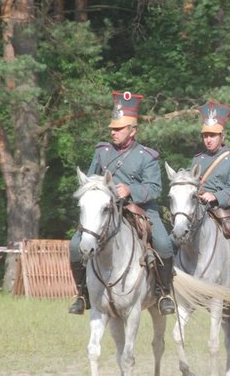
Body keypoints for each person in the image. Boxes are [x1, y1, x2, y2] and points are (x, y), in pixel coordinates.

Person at [68, 91, 176, 315]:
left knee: (164, 243)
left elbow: (155, 188)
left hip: (139, 209)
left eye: (118, 129)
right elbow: (89, 180)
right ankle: (83, 293)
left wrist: (130, 190)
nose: (113, 132)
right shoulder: (102, 152)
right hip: (105, 210)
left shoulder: (147, 156)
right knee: (74, 245)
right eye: (112, 128)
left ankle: (164, 292)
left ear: (132, 130)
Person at [191, 100, 230, 216]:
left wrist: (214, 196)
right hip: (197, 210)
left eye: (213, 136)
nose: (208, 140)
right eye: (205, 136)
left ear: (222, 137)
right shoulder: (198, 159)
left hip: (224, 211)